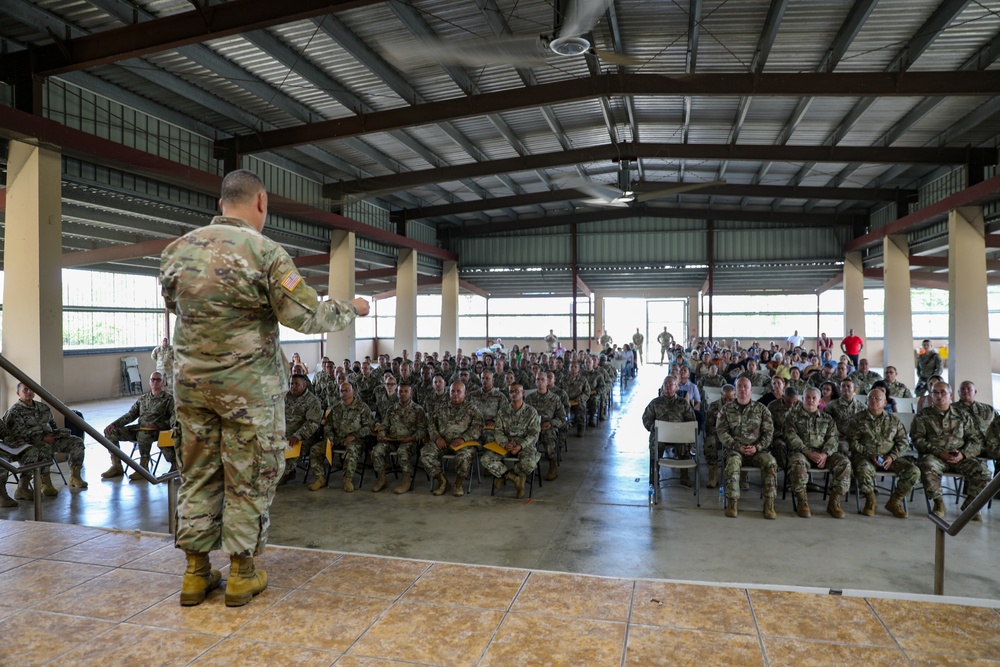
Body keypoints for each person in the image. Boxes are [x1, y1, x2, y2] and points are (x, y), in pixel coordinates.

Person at [159, 169, 369, 608]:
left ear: (221, 204)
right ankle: (241, 574)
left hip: (192, 390)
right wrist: (354, 308)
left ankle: (196, 574)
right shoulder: (265, 253)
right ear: (261, 201)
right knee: (249, 475)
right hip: (248, 394)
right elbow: (308, 317)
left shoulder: (176, 251)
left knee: (197, 473)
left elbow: (176, 306)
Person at [912, 382, 990, 520]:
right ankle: (938, 503)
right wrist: (938, 452)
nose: (939, 396)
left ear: (951, 395)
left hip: (959, 457)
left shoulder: (963, 416)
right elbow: (918, 440)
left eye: (943, 392)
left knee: (983, 471)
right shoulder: (923, 416)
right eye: (935, 393)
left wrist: (964, 454)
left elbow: (975, 440)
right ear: (931, 395)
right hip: (935, 456)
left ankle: (970, 504)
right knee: (927, 466)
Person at [0, 383, 89, 505]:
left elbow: (53, 425)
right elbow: (17, 434)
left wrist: (56, 434)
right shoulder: (14, 411)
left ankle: (75, 476)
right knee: (42, 449)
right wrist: (42, 438)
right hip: (32, 442)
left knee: (76, 442)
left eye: (31, 389)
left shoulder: (43, 407)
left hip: (49, 438)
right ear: (18, 393)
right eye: (25, 390)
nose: (29, 392)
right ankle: (44, 483)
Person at [846, 388, 918, 518]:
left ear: (885, 403)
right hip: (866, 457)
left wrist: (892, 456)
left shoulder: (893, 420)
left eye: (878, 398)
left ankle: (895, 501)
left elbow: (903, 442)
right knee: (863, 469)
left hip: (890, 458)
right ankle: (870, 501)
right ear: (866, 401)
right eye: (871, 398)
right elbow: (852, 442)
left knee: (913, 471)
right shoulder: (857, 419)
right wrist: (869, 454)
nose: (874, 401)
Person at [785, 387, 851, 519]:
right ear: (802, 399)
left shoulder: (827, 419)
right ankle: (802, 502)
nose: (810, 400)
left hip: (824, 454)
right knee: (797, 463)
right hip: (802, 453)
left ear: (819, 401)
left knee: (844, 463)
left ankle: (834, 503)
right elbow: (791, 437)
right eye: (807, 397)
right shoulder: (792, 416)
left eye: (814, 398)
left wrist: (825, 454)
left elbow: (833, 438)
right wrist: (808, 452)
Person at [717, 378, 777, 519]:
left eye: (746, 387)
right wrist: (738, 446)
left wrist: (757, 447)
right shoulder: (726, 409)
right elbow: (721, 432)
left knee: (771, 463)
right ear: (735, 390)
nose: (742, 389)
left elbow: (769, 433)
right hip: (735, 450)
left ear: (751, 390)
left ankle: (769, 504)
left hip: (758, 451)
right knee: (732, 463)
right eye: (739, 387)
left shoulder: (762, 409)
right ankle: (732, 502)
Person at [102, 371, 177, 480]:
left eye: (158, 380)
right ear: (149, 382)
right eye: (153, 379)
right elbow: (131, 415)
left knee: (144, 435)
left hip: (157, 431)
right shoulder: (143, 399)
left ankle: (143, 468)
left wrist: (158, 425)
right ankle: (116, 465)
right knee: (111, 434)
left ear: (163, 382)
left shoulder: (168, 399)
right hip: (140, 428)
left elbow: (174, 417)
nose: (155, 382)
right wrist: (114, 424)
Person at [421, 382, 483, 497]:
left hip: (463, 443)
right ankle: (442, 481)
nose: (455, 394)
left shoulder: (472, 409)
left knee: (464, 456)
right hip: (443, 442)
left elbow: (478, 428)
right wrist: (437, 437)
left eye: (458, 391)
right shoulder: (440, 407)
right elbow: (431, 424)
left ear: (465, 393)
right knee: (426, 453)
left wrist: (464, 438)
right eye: (452, 391)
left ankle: (458, 484)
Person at [309, 382, 374, 493]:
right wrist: (330, 438)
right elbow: (328, 426)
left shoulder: (362, 407)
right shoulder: (335, 408)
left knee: (351, 450)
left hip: (356, 440)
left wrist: (354, 436)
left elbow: (369, 427)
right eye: (341, 391)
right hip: (337, 439)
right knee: (315, 449)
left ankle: (347, 480)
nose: (344, 393)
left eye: (346, 390)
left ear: (353, 392)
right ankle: (320, 478)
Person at [481, 384, 541, 499]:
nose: (513, 394)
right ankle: (514, 478)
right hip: (506, 443)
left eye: (516, 391)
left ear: (523, 393)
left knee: (530, 464)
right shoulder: (503, 411)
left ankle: (506, 475)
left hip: (524, 444)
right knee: (486, 459)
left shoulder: (531, 411)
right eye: (511, 392)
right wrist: (504, 443)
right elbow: (498, 431)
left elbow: (534, 434)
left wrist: (520, 445)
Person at [642, 375, 698, 487]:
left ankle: (684, 475)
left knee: (685, 444)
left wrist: (684, 429)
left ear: (676, 387)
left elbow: (691, 420)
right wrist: (652, 426)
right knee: (654, 444)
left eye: (670, 384)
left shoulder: (683, 403)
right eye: (665, 384)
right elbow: (646, 417)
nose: (667, 386)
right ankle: (654, 475)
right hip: (661, 435)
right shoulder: (655, 403)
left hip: (679, 435)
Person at [374, 382, 427, 494]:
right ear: (397, 394)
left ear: (411, 393)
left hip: (409, 441)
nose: (403, 394)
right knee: (376, 451)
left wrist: (412, 438)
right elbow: (384, 425)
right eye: (400, 392)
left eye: (405, 391)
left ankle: (406, 481)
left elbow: (422, 430)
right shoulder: (392, 409)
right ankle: (382, 479)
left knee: (402, 451)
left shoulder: (418, 410)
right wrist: (382, 434)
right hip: (392, 440)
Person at [278, 374, 322, 485]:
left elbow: (313, 423)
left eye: (296, 384)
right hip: (282, 434)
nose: (293, 386)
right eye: (291, 383)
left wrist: (298, 435)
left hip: (303, 437)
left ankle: (284, 474)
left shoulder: (312, 401)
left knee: (289, 449)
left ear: (304, 385)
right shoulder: (285, 397)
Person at [702, 384, 736, 488]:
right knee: (710, 442)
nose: (727, 402)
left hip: (733, 435)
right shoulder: (713, 406)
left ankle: (738, 476)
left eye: (730, 399)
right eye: (725, 399)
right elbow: (708, 427)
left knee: (743, 441)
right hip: (717, 434)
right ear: (721, 395)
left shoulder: (738, 406)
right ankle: (713, 475)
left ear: (735, 396)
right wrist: (721, 431)